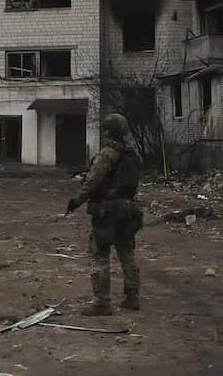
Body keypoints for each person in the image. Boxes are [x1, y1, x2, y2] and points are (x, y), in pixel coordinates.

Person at [66, 113, 144, 315]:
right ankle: (132, 297)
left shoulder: (108, 154)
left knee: (99, 253)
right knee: (127, 252)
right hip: (128, 209)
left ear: (108, 131)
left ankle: (102, 302)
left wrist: (75, 202)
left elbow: (92, 182)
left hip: (108, 210)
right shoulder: (133, 154)